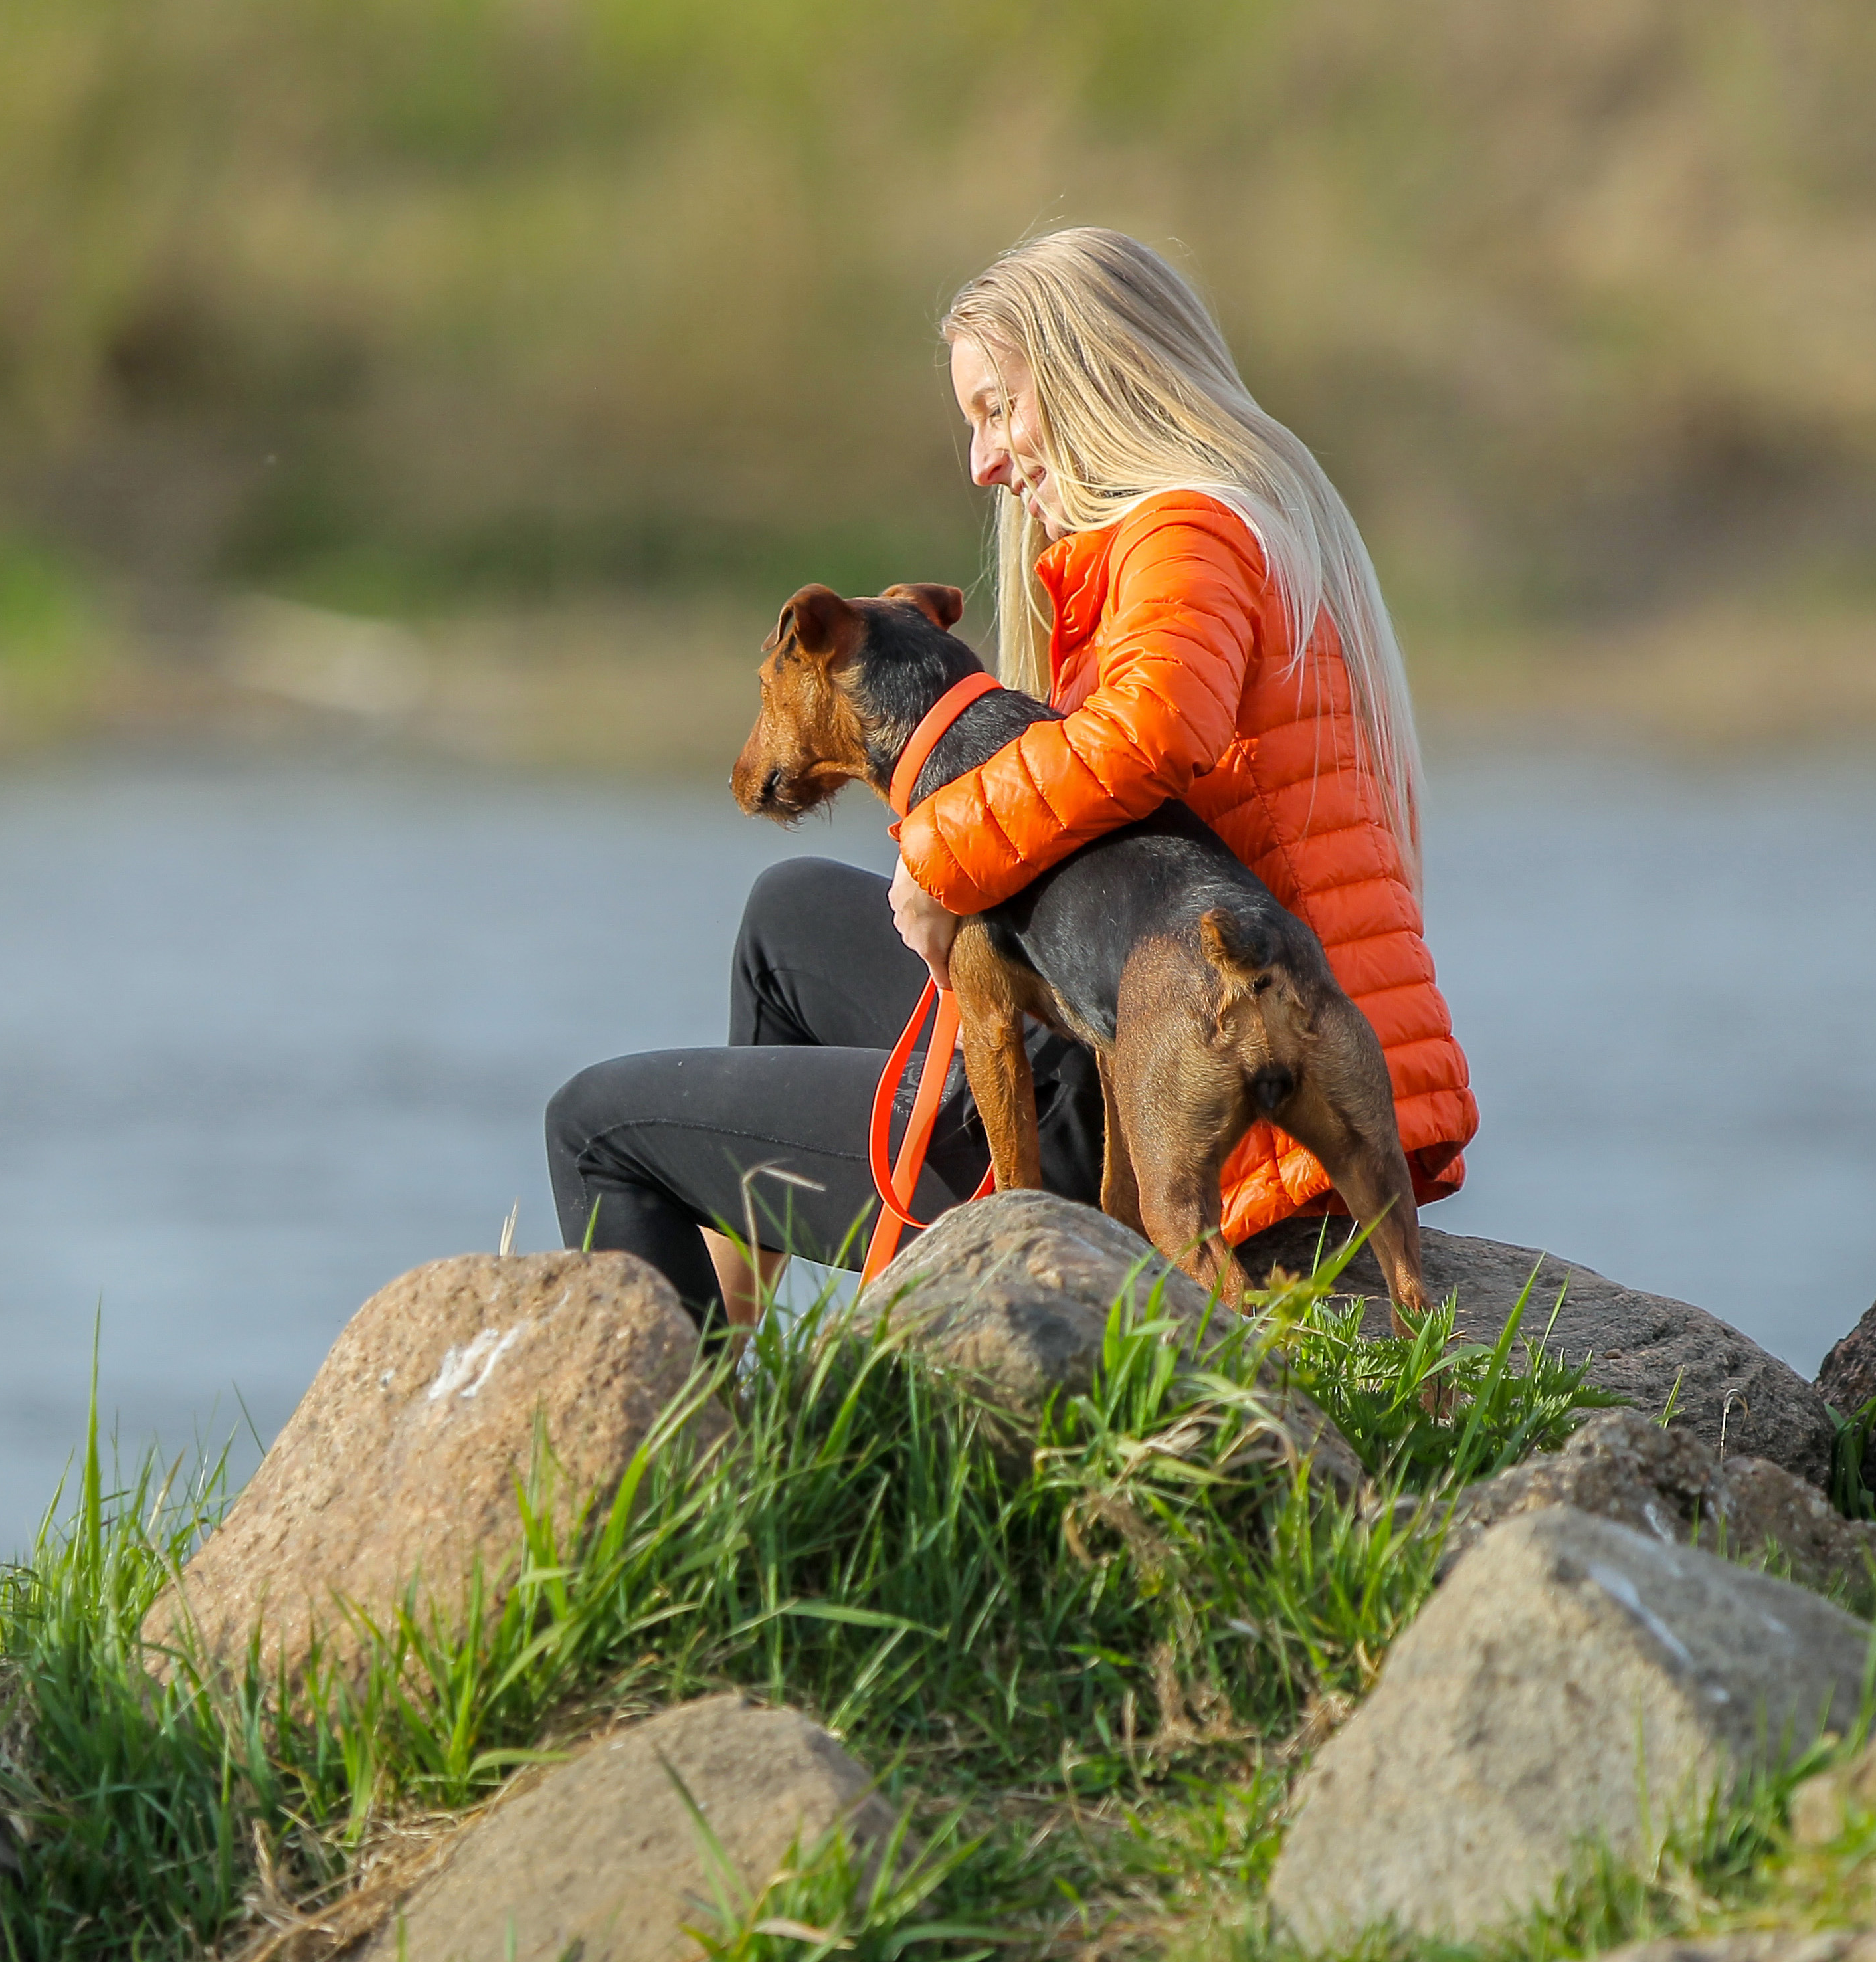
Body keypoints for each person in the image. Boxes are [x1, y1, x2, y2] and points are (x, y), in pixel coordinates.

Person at [545, 227, 1477, 1327]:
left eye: (998, 409)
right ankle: (746, 1336)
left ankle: (697, 1452)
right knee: (783, 913)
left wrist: (939, 860)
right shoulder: (1204, 534)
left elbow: (1150, 734)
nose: (984, 460)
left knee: (593, 1124)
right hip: (1118, 1016)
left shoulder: (1186, 534)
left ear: (1097, 380)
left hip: (1168, 1086)